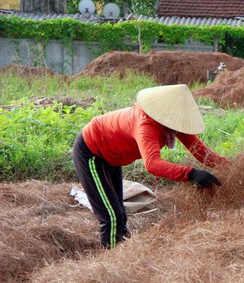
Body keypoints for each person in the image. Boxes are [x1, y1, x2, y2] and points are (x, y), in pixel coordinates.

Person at [73, 84, 230, 249]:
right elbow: (152, 164)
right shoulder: (146, 124)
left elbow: (202, 153)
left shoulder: (173, 124)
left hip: (114, 156)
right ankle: (109, 262)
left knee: (120, 214)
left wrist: (233, 167)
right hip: (92, 153)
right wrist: (191, 173)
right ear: (166, 114)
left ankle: (122, 250)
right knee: (112, 216)